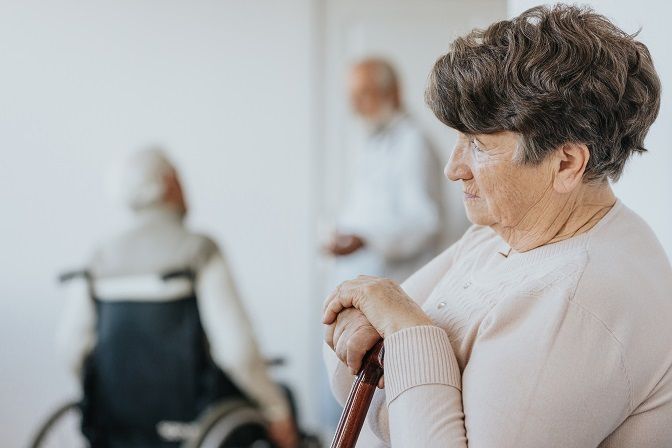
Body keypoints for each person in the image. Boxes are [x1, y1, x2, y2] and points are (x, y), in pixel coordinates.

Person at [322, 5, 672, 447]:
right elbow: (347, 367)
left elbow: (379, 358)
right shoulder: (496, 235)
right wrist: (394, 350)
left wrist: (408, 332)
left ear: (565, 162)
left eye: (478, 145)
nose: (453, 168)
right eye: (459, 138)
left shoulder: (581, 301)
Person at [57, 148, 298, 448]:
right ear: (169, 183)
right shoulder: (198, 250)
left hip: (116, 425)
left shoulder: (99, 257)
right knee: (285, 397)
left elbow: (72, 347)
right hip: (194, 422)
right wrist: (275, 408)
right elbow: (238, 352)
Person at [325, 58, 442, 283]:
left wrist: (366, 239)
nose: (355, 106)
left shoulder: (413, 143)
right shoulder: (373, 140)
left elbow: (425, 223)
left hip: (393, 282)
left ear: (393, 93)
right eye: (352, 96)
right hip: (359, 278)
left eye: (364, 94)